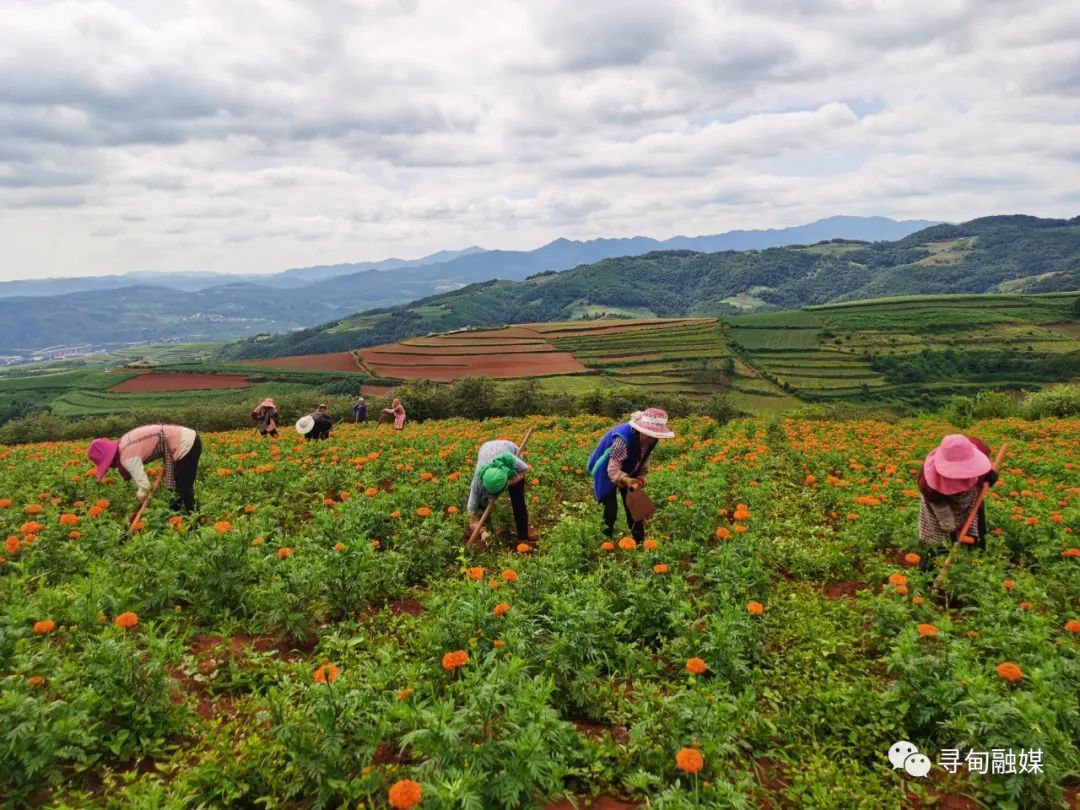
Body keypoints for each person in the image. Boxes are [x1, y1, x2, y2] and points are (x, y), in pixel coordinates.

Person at [588, 408, 674, 543]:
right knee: (610, 508)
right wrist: (627, 480)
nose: (651, 439)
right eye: (648, 434)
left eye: (654, 436)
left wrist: (641, 475)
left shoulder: (651, 440)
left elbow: (645, 457)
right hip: (606, 467)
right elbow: (613, 470)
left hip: (629, 465)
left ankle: (639, 542)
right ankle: (605, 541)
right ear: (640, 429)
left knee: (635, 505)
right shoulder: (622, 439)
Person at [87, 424, 202, 513]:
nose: (111, 467)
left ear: (111, 459)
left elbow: (145, 487)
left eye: (108, 465)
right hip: (182, 438)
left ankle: (196, 525)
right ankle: (174, 517)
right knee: (174, 489)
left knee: (183, 488)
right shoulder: (123, 443)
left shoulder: (127, 457)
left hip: (185, 443)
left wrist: (138, 503)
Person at [918, 434, 998, 561]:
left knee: (978, 536)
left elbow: (985, 466)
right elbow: (940, 508)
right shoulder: (929, 483)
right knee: (941, 544)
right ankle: (932, 570)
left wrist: (988, 473)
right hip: (941, 507)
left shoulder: (979, 450)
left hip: (971, 499)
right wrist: (950, 529)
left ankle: (977, 563)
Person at [466, 439, 533, 544]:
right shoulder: (477, 484)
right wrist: (481, 531)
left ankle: (523, 537)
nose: (493, 496)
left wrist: (514, 480)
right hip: (486, 447)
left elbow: (525, 469)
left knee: (518, 501)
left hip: (511, 453)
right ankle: (487, 526)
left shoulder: (511, 459)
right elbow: (470, 513)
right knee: (480, 504)